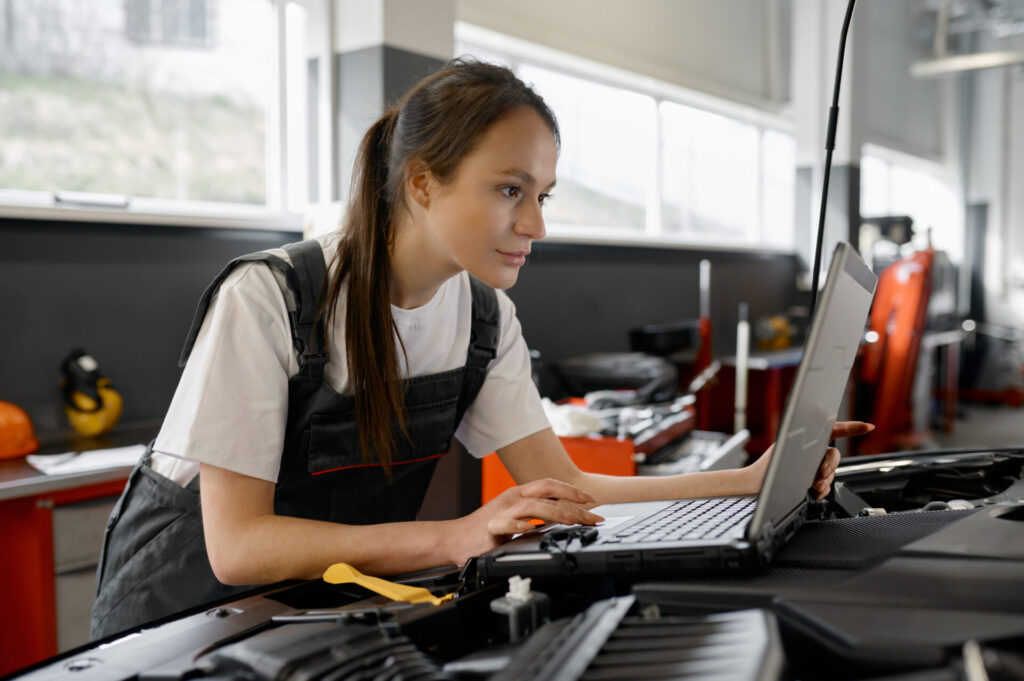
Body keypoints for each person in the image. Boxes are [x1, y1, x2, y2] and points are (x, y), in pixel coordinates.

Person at [91, 59, 871, 639]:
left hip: (307, 615)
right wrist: (458, 534)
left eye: (543, 195)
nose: (537, 224)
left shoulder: (485, 318)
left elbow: (560, 486)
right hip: (177, 621)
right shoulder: (271, 298)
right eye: (510, 190)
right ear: (424, 184)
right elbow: (240, 546)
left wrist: (746, 482)